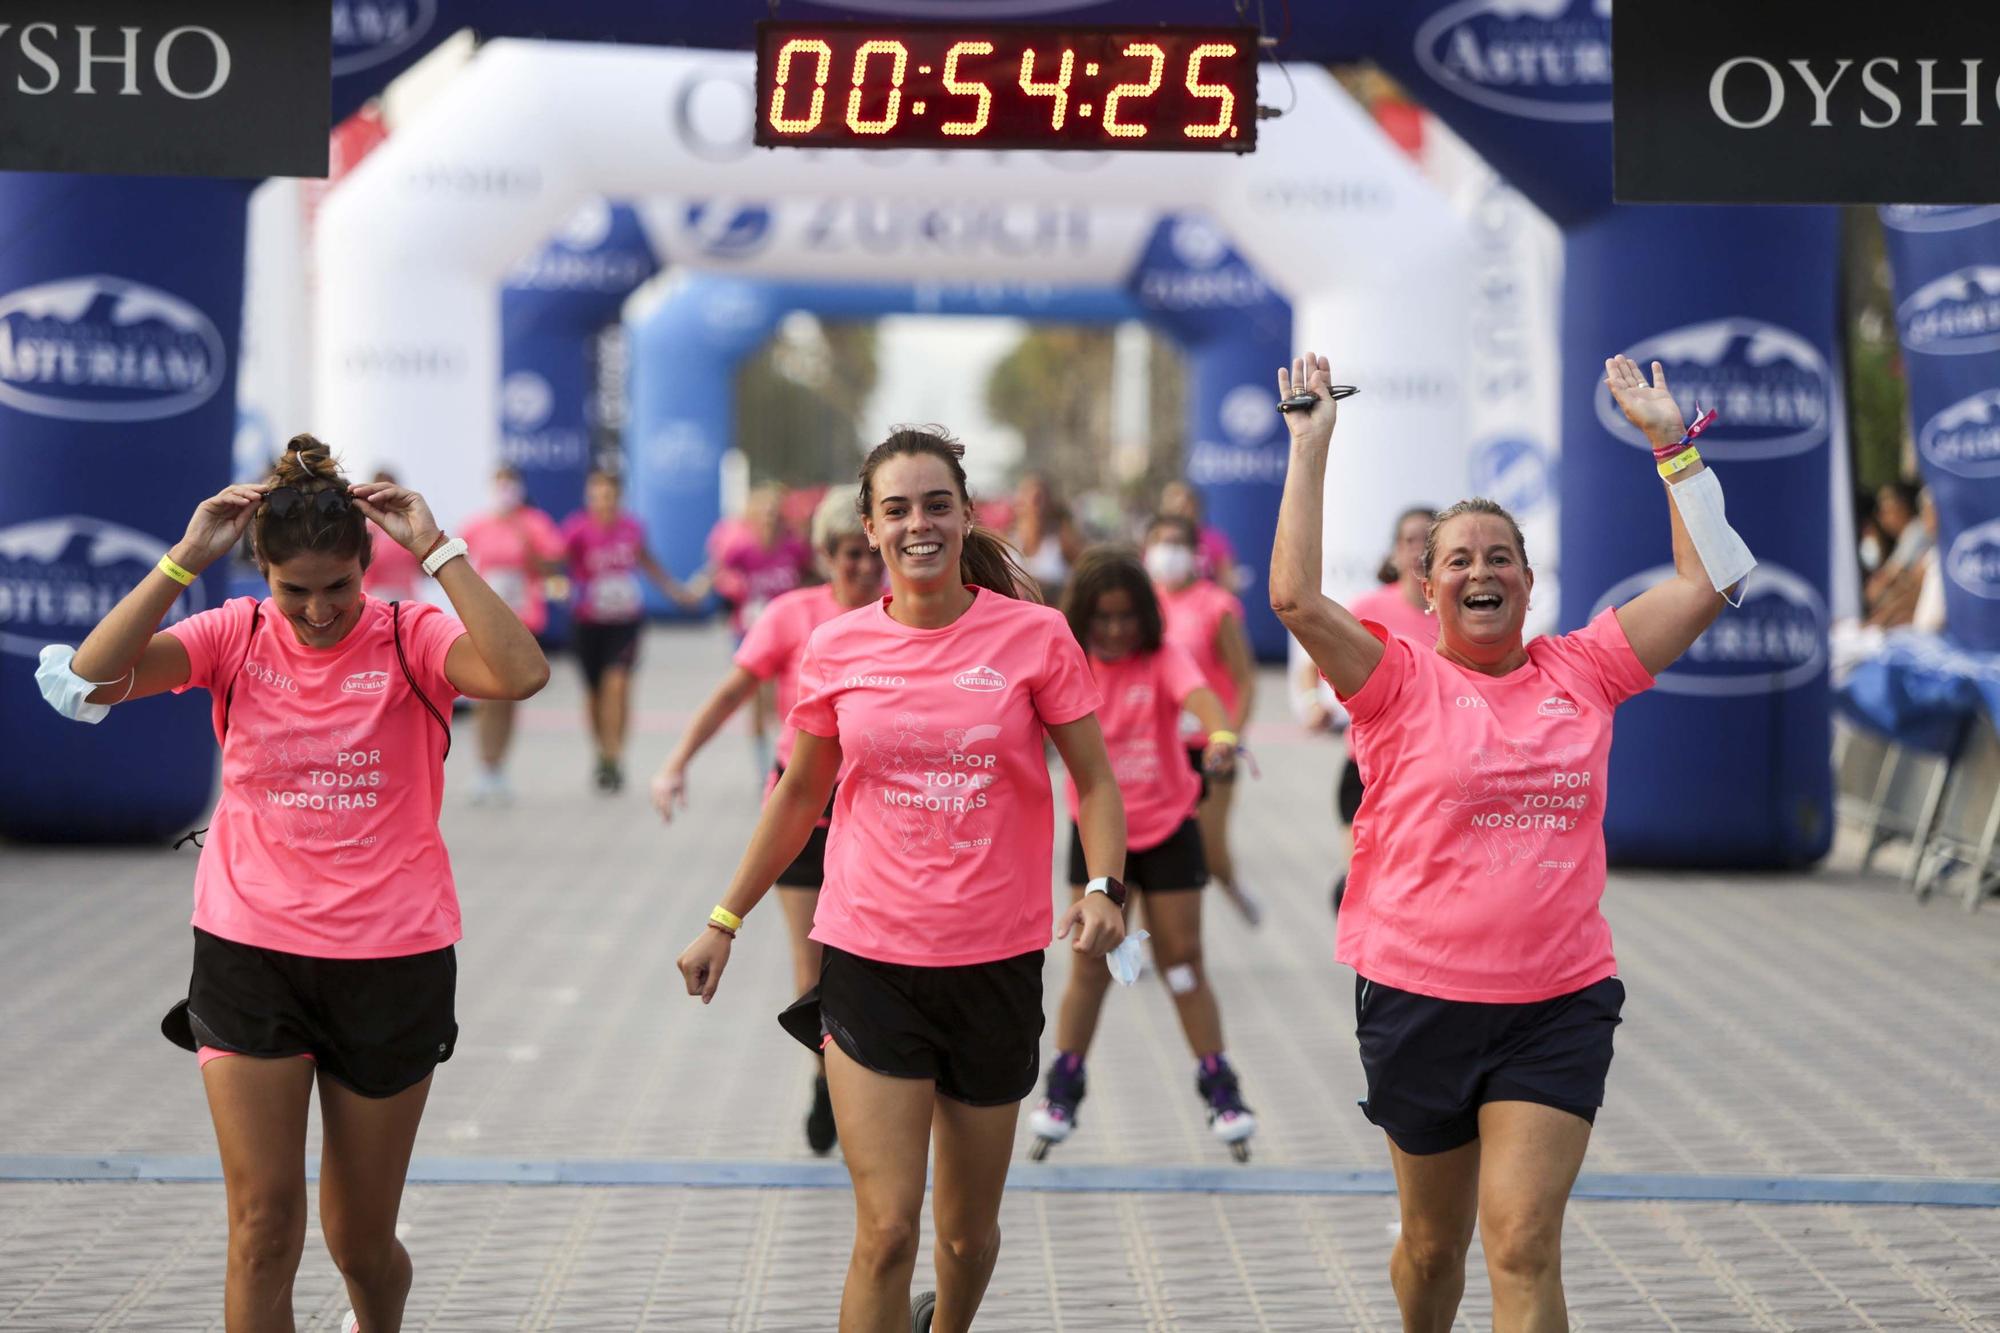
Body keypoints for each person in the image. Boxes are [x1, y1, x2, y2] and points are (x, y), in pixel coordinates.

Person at [38, 436, 548, 1333]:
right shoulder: (234, 631)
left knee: (358, 1240)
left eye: (338, 587)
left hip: (393, 961)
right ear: (263, 575)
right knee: (263, 1230)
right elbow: (86, 682)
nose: (317, 611)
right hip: (249, 951)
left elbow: (520, 672)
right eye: (293, 589)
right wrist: (184, 558)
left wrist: (439, 550)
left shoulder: (411, 633)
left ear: (367, 567)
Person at [1270, 352, 1732, 1332]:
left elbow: (1706, 583)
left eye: (1499, 557)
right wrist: (1308, 447)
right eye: (1458, 560)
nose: (1480, 570)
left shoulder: (1587, 666)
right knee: (1433, 1251)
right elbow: (1295, 602)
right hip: (1415, 997)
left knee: (1519, 1240)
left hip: (1556, 1003)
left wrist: (1669, 445)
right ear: (1425, 590)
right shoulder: (1394, 680)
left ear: (1527, 579)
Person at [676, 426, 1128, 1333]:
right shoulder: (838, 647)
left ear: (966, 514)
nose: (918, 523)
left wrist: (1103, 887)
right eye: (897, 509)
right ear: (870, 528)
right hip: (869, 957)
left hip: (995, 964)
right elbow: (799, 791)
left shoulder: (1036, 636)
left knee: (966, 1237)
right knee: (885, 1232)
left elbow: (1097, 782)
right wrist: (724, 916)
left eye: (935, 504)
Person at [651, 485, 882, 1155]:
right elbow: (732, 693)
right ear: (823, 556)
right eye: (848, 556)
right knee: (812, 969)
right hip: (804, 809)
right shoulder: (792, 615)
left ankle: (864, 1081)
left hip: (875, 814)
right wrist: (677, 762)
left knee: (868, 963)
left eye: (871, 557)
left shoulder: (905, 619)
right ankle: (826, 1079)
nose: (864, 570)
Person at [1028, 545, 1258, 1163]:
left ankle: (1219, 1084)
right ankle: (1064, 1086)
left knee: (1184, 960)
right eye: (1101, 617)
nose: (1113, 630)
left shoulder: (1162, 656)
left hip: (1168, 827)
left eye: (1126, 617)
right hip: (1099, 838)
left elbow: (1204, 702)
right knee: (1090, 967)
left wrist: (1222, 737)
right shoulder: (1068, 662)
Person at [1145, 512, 1261, 925]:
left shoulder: (1217, 605)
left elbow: (1245, 679)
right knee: (1144, 845)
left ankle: (1231, 884)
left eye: (1177, 543)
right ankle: (1138, 937)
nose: (1168, 552)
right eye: (1160, 541)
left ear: (1195, 553)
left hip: (1208, 749)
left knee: (1210, 850)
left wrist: (1228, 736)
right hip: (1156, 749)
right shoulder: (1140, 605)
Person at [560, 468, 700, 793]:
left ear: (619, 497)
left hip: (625, 621)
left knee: (618, 685)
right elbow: (557, 562)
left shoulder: (632, 528)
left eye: (609, 496)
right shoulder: (577, 529)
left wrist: (676, 592)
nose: (603, 503)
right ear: (589, 498)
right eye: (597, 496)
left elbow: (647, 562)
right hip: (588, 621)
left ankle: (616, 754)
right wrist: (556, 585)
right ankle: (603, 753)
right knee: (594, 694)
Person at [1327, 506, 1437, 914]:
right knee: (1365, 882)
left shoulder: (1458, 613)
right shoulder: (1367, 608)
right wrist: (1314, 704)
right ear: (1394, 553)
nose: (1418, 549)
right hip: (1367, 769)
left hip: (1433, 773)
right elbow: (1320, 665)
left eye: (1428, 538)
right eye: (1409, 540)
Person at [461, 465, 566, 804]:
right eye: (499, 484)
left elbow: (554, 567)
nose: (505, 490)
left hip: (521, 619)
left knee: (508, 697)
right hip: (485, 620)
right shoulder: (479, 524)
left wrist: (529, 548)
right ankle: (483, 765)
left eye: (510, 484)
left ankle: (498, 768)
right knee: (484, 696)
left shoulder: (535, 523)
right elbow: (457, 562)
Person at [711, 483, 819, 778]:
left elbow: (813, 573)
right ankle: (764, 767)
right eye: (765, 512)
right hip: (749, 633)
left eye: (775, 512)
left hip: (789, 635)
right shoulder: (742, 549)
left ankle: (785, 755)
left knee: (781, 699)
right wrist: (727, 587)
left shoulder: (794, 548)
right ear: (754, 516)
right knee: (758, 698)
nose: (770, 517)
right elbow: (718, 572)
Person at [1006, 471, 1085, 605]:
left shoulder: (1063, 540)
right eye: (1033, 500)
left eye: (1041, 500)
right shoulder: (1006, 540)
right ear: (1019, 503)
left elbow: (1084, 579)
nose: (1038, 507)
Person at [1158, 478, 1239, 593]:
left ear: (1195, 508)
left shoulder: (1214, 541)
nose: (1178, 511)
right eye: (1173, 506)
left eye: (1184, 506)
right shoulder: (1155, 541)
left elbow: (1228, 581)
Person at [360, 468, 421, 604]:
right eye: (378, 492)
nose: (384, 498)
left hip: (408, 602)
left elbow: (424, 569)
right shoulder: (366, 532)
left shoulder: (412, 530)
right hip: (375, 602)